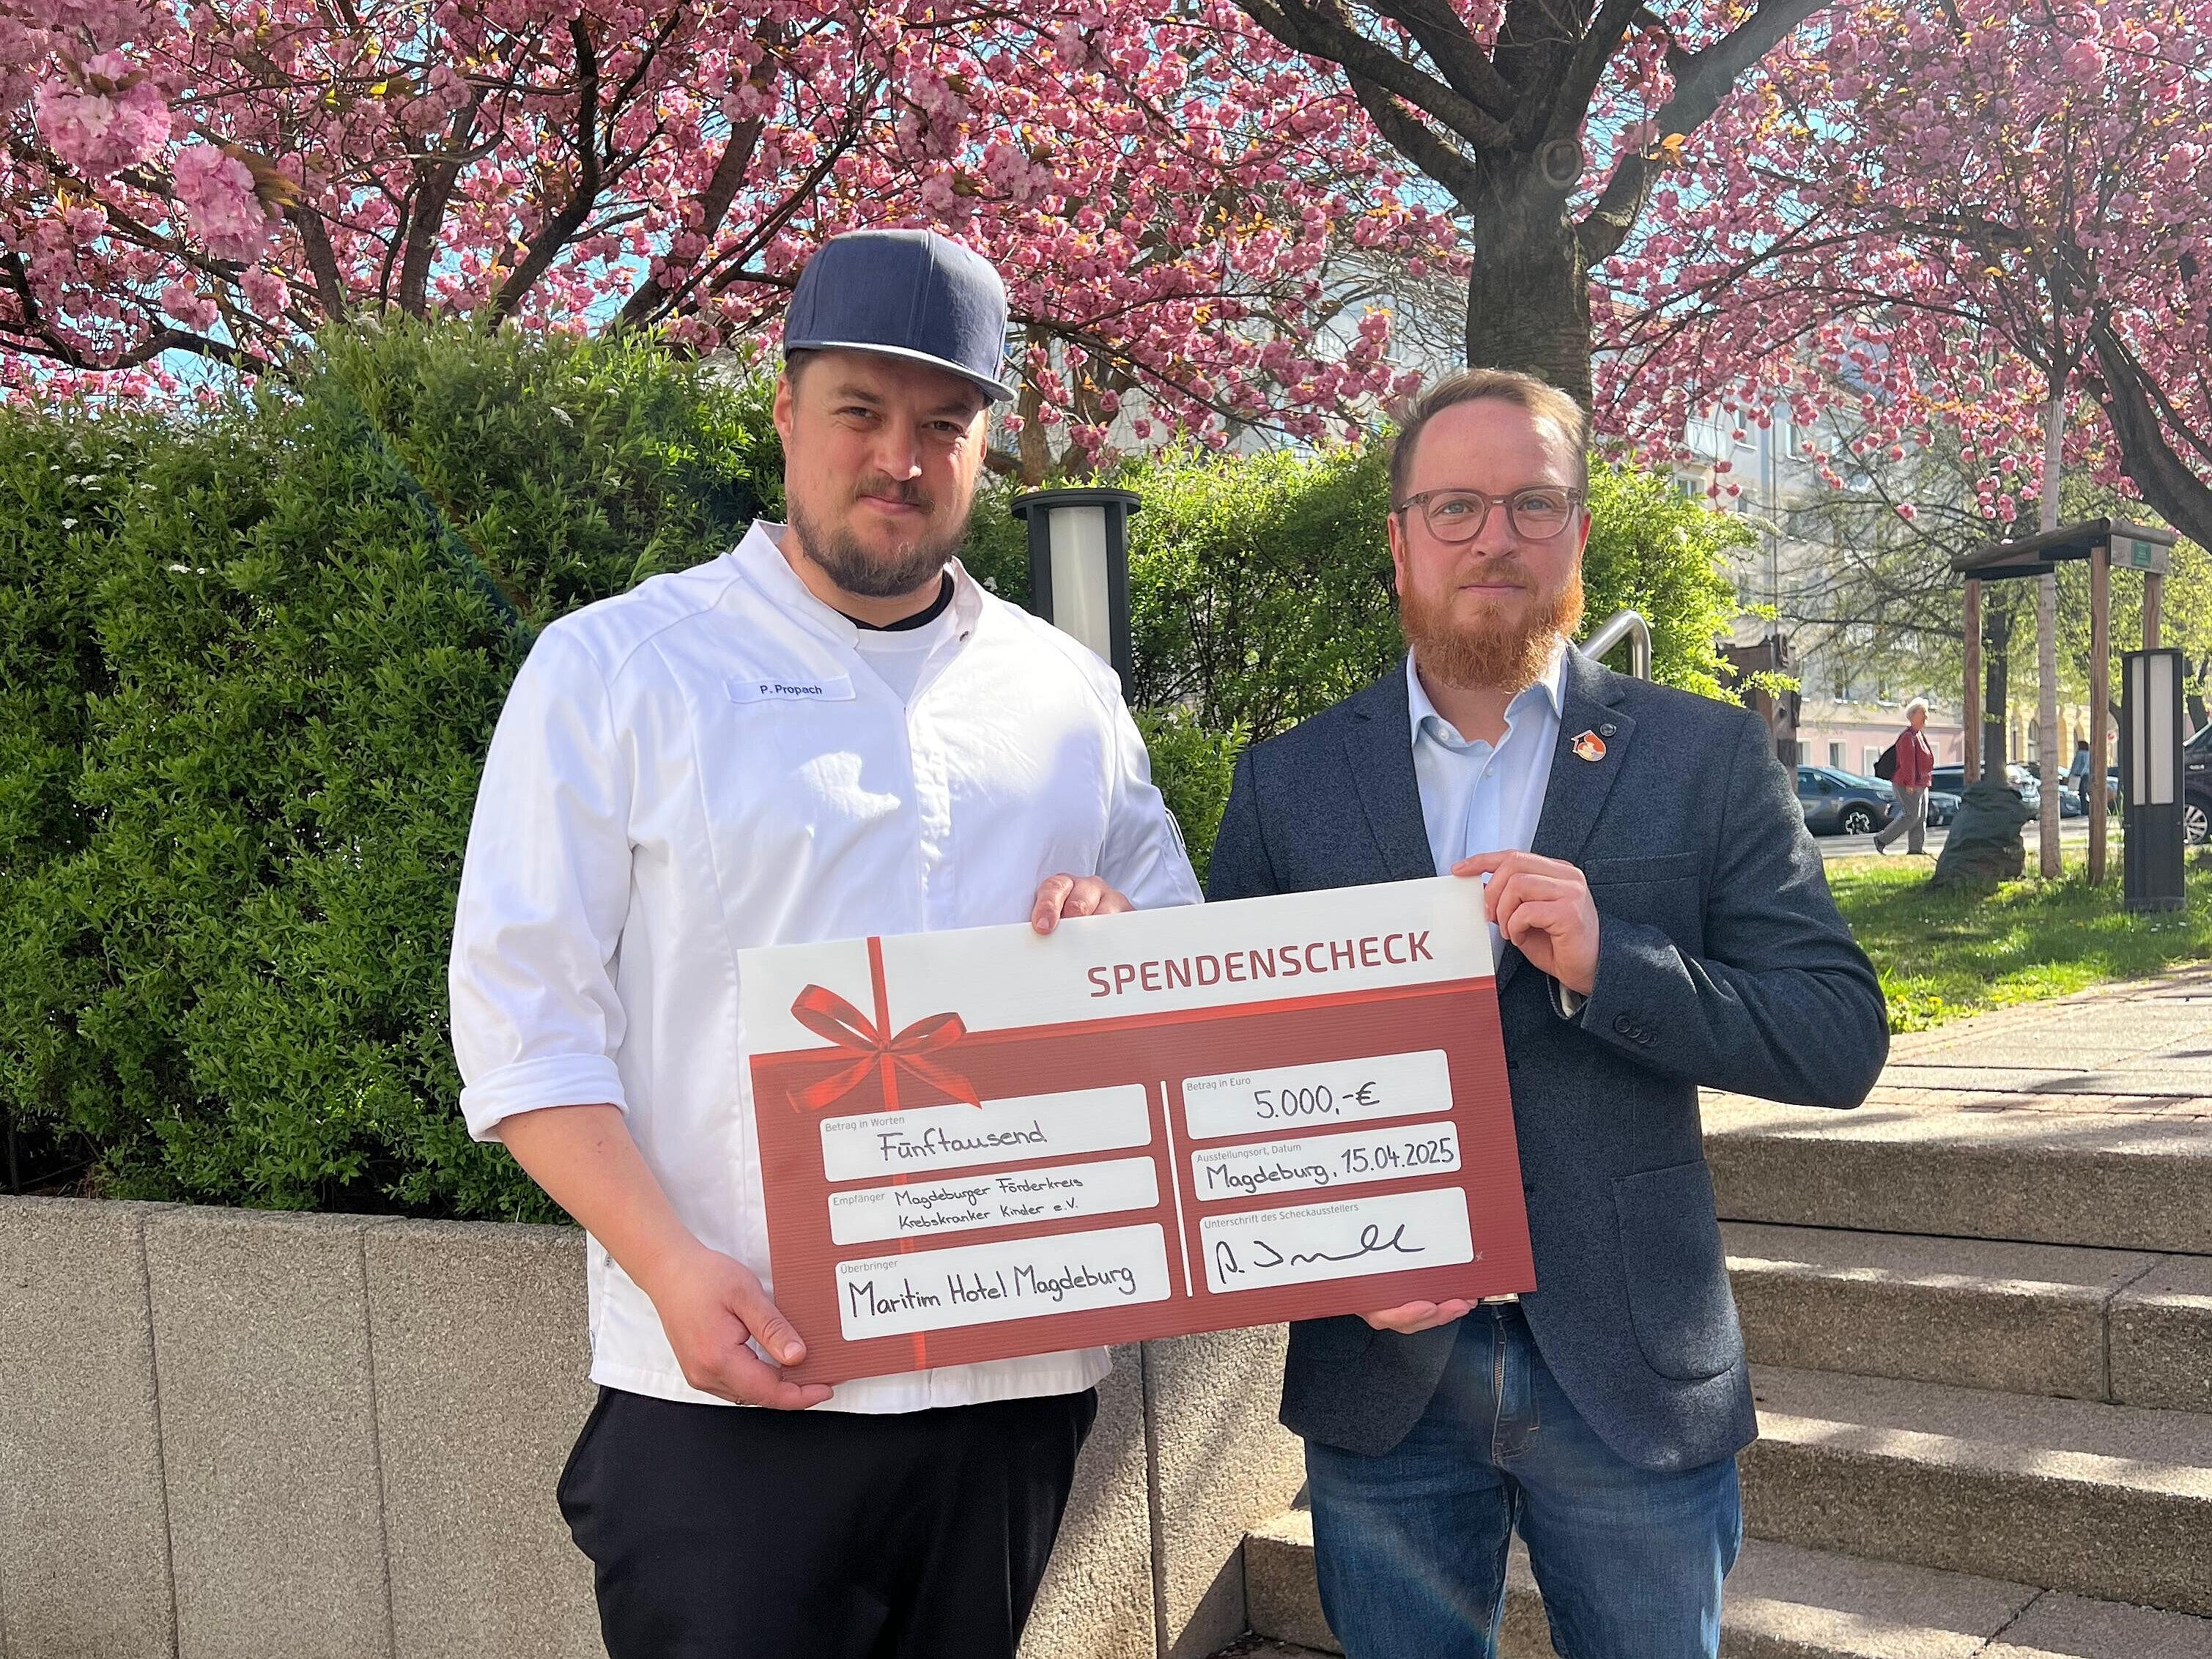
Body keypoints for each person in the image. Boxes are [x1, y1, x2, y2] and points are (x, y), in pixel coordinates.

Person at [447, 228, 1201, 1659]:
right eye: (860, 409)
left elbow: (1178, 967)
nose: (898, 458)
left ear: (986, 447)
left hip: (1012, 1377)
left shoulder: (1065, 692)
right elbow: (521, 1020)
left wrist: (1120, 947)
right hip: (730, 1383)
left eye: (944, 423)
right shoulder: (619, 667)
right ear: (786, 412)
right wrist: (670, 1267)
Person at [1205, 368, 1888, 1659]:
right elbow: (1226, 1076)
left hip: (1630, 1367)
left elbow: (1835, 1033)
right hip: (1380, 1379)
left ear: (1575, 531)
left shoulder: (1700, 756)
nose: (1493, 537)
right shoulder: (1287, 780)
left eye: (1531, 503)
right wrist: (1330, 1253)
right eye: (1453, 506)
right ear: (1399, 539)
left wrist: (1609, 962)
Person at [1873, 698, 1936, 855]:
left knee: (1920, 817)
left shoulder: (1919, 735)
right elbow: (1907, 763)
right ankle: (1882, 839)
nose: (1926, 716)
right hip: (1908, 784)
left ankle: (1916, 849)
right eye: (1923, 713)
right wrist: (1910, 783)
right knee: (1911, 815)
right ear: (1913, 716)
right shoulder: (1908, 737)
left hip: (1921, 783)